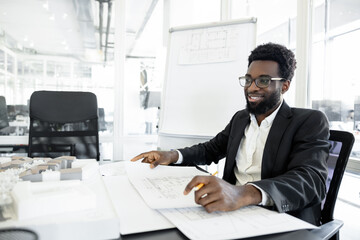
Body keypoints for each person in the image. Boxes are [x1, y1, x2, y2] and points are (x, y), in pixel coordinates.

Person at [131, 42, 330, 225]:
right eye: (248, 80)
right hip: (232, 213)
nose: (252, 88)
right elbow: (210, 150)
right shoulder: (241, 118)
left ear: (284, 86)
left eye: (263, 81)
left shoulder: (309, 121)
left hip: (279, 218)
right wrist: (172, 155)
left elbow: (311, 180)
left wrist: (243, 193)